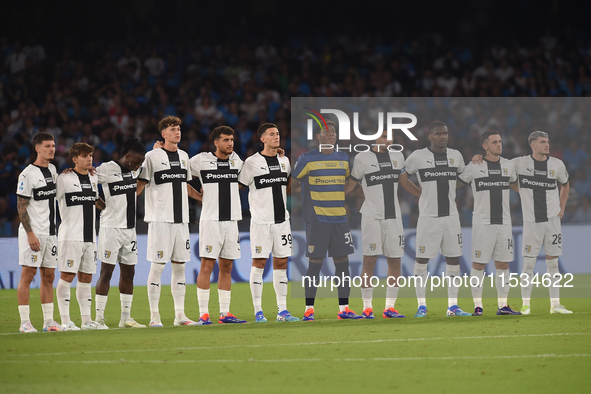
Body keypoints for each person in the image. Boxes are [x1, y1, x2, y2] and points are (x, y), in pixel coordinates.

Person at [292, 120, 363, 321]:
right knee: (315, 263)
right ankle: (309, 310)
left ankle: (344, 309)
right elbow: (292, 183)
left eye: (333, 131)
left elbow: (348, 185)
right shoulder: (306, 159)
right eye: (326, 131)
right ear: (317, 136)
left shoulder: (343, 158)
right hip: (317, 220)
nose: (331, 134)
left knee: (343, 263)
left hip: (340, 220)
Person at [138, 116, 202, 327]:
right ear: (163, 134)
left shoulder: (184, 156)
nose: (177, 132)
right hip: (160, 220)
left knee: (180, 268)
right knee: (157, 267)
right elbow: (140, 184)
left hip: (181, 221)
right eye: (173, 129)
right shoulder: (152, 156)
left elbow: (184, 185)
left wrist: (202, 197)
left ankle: (180, 316)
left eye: (179, 129)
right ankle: (154, 316)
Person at [350, 129, 421, 319]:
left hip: (394, 217)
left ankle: (389, 307)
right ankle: (367, 307)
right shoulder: (362, 158)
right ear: (373, 137)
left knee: (395, 260)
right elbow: (352, 184)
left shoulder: (398, 156)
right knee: (369, 261)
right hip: (372, 217)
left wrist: (423, 196)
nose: (387, 140)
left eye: (389, 137)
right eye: (383, 136)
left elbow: (404, 183)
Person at [404, 121, 470, 317]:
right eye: (439, 134)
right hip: (428, 217)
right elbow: (402, 176)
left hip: (451, 217)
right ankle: (422, 305)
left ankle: (453, 306)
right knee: (422, 259)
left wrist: (449, 189)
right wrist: (418, 193)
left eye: (446, 133)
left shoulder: (455, 156)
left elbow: (464, 178)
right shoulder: (418, 156)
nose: (443, 136)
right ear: (430, 136)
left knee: (454, 259)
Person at [238, 123, 299, 323]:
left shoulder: (284, 160)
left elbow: (287, 183)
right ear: (262, 139)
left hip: (282, 222)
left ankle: (283, 310)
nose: (276, 137)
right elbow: (240, 185)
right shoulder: (252, 162)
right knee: (259, 263)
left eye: (278, 134)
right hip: (260, 222)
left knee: (282, 263)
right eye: (272, 134)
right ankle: (258, 311)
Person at [460, 130, 521, 316]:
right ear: (485, 146)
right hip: (482, 223)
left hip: (504, 222)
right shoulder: (474, 165)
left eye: (500, 141)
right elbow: (456, 183)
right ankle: (478, 306)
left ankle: (503, 305)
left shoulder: (509, 165)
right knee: (478, 264)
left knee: (503, 265)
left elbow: (517, 186)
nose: (499, 144)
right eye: (494, 142)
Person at [190, 126, 247, 324]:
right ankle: (204, 314)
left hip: (231, 220)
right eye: (226, 140)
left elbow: (246, 178)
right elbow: (178, 174)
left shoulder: (236, 160)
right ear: (216, 142)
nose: (230, 143)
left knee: (227, 266)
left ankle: (225, 313)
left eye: (232, 139)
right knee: (207, 265)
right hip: (211, 221)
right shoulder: (201, 160)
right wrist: (198, 196)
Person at [514, 131, 571, 314]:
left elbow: (565, 184)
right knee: (529, 264)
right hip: (532, 222)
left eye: (547, 142)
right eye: (542, 142)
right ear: (533, 146)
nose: (547, 145)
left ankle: (555, 305)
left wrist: (562, 206)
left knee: (553, 263)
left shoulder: (557, 164)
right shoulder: (520, 163)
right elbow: (501, 169)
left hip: (553, 221)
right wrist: (521, 190)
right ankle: (526, 304)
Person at [94, 138, 147, 329]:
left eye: (141, 163)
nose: (138, 166)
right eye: (136, 162)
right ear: (127, 156)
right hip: (110, 229)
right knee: (106, 272)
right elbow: (85, 179)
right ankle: (99, 318)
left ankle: (126, 318)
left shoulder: (137, 169)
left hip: (130, 230)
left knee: (129, 273)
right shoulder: (107, 168)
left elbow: (142, 177)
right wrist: (99, 203)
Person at [56, 143, 106, 330]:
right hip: (70, 236)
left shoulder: (93, 178)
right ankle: (65, 321)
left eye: (91, 155)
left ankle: (86, 321)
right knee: (67, 275)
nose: (89, 159)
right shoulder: (64, 178)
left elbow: (96, 202)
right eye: (84, 156)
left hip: (89, 236)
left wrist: (107, 205)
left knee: (86, 278)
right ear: (74, 159)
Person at [16, 132, 62, 332]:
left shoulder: (53, 170)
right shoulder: (27, 174)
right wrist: (30, 234)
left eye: (53, 145)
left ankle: (48, 321)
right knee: (28, 274)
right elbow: (21, 206)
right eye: (47, 146)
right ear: (37, 148)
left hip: (51, 233)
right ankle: (25, 322)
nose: (51, 149)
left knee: (49, 276)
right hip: (33, 232)